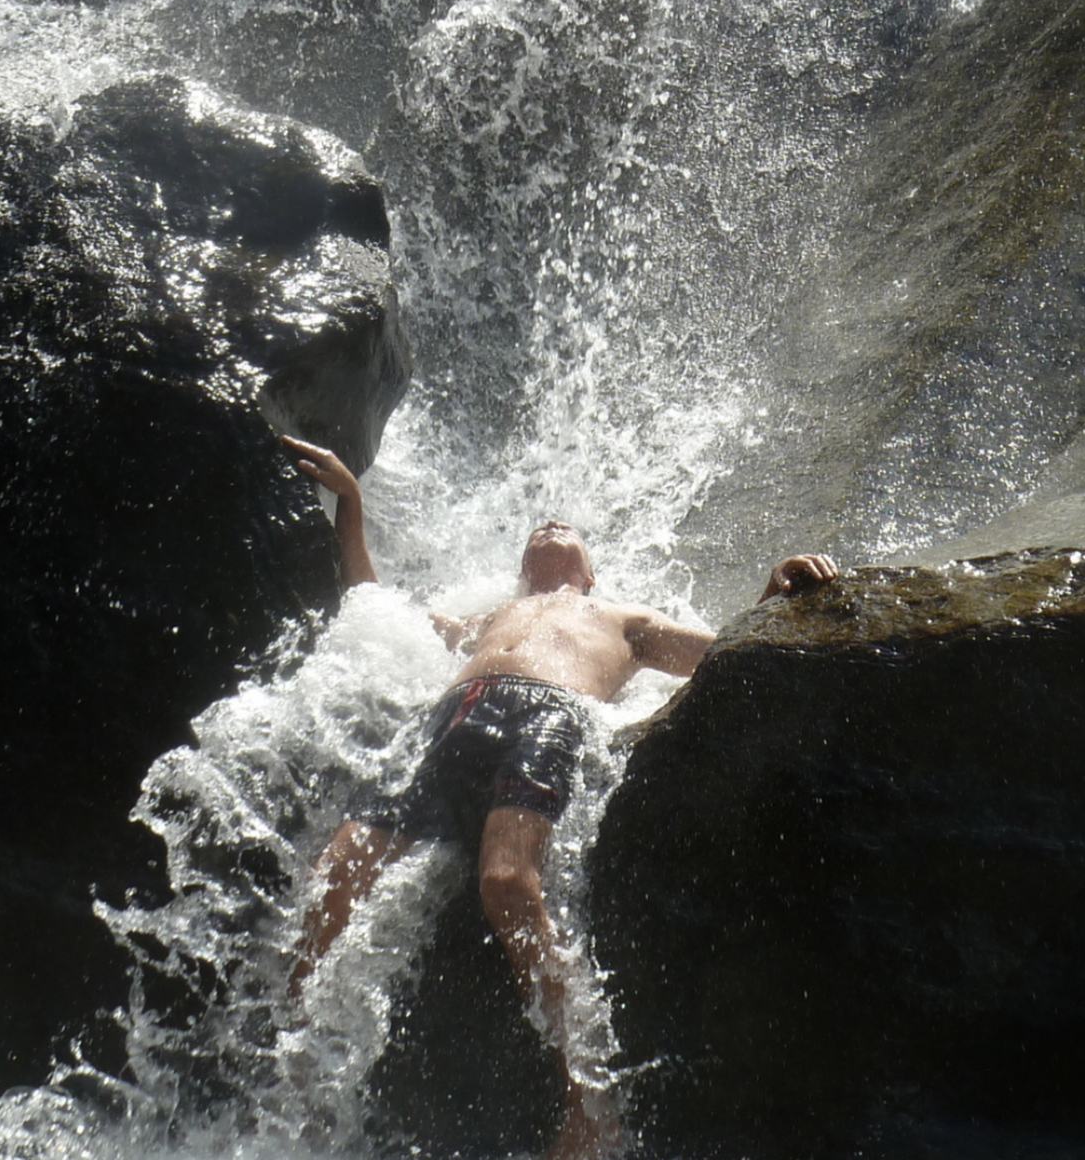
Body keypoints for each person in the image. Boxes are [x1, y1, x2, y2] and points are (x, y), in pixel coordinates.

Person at [279, 434, 838, 1160]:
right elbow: (375, 608)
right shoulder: (489, 618)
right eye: (537, 532)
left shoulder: (623, 618)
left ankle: (589, 1108)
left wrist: (774, 589)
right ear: (520, 572)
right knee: (336, 870)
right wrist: (349, 505)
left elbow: (721, 656)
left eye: (566, 530)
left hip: (547, 715)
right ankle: (290, 1069)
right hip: (452, 719)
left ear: (590, 573)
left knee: (507, 882)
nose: (549, 525)